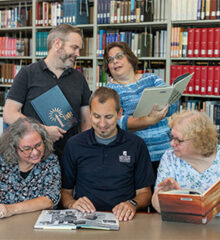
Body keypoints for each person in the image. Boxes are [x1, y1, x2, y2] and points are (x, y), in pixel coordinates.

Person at [61, 87, 155, 221]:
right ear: (89, 113)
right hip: (85, 219)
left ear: (119, 113)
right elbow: (65, 192)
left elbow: (145, 193)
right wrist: (72, 203)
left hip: (124, 220)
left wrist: (132, 204)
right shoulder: (74, 144)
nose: (102, 124)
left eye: (109, 117)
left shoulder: (136, 145)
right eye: (96, 116)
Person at [3, 24, 91, 159]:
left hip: (69, 155)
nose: (78, 54)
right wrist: (42, 130)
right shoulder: (27, 74)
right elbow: (9, 114)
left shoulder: (79, 78)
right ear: (57, 44)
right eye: (74, 48)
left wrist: (84, 149)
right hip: (33, 155)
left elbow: (86, 119)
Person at [151, 110, 220, 217]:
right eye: (171, 137)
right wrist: (163, 195)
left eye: (178, 140)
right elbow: (158, 207)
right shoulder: (170, 158)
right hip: (185, 227)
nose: (171, 143)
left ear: (198, 141)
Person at [104, 42, 178, 176]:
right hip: (135, 155)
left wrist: (168, 104)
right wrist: (149, 119)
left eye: (119, 56)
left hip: (165, 153)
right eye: (110, 59)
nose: (115, 61)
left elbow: (172, 106)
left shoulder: (151, 78)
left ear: (130, 58)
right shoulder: (108, 90)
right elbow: (117, 122)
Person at [0, 117, 61, 219]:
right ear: (14, 147)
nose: (35, 152)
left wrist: (11, 209)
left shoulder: (50, 160)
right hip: (2, 223)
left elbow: (50, 199)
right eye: (27, 149)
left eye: (38, 145)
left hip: (36, 223)